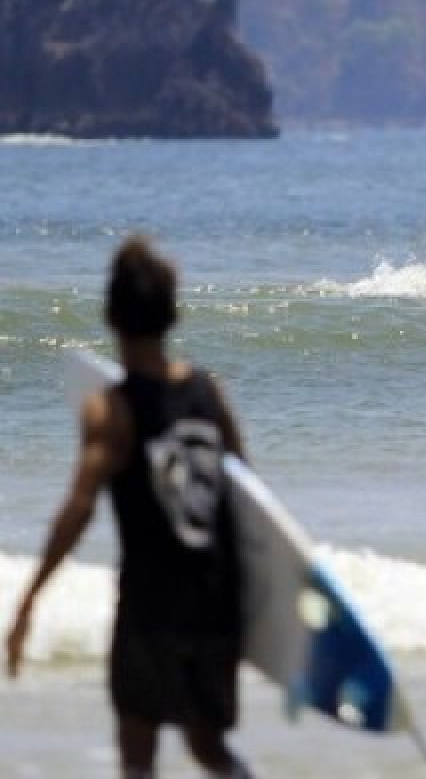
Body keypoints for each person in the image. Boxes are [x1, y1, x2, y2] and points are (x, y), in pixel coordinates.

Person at [6, 236, 254, 779]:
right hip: (216, 602)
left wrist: (28, 599)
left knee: (138, 759)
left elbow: (78, 509)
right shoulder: (212, 395)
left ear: (111, 315)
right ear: (172, 315)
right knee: (210, 748)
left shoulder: (110, 410)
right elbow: (248, 496)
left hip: (152, 607)